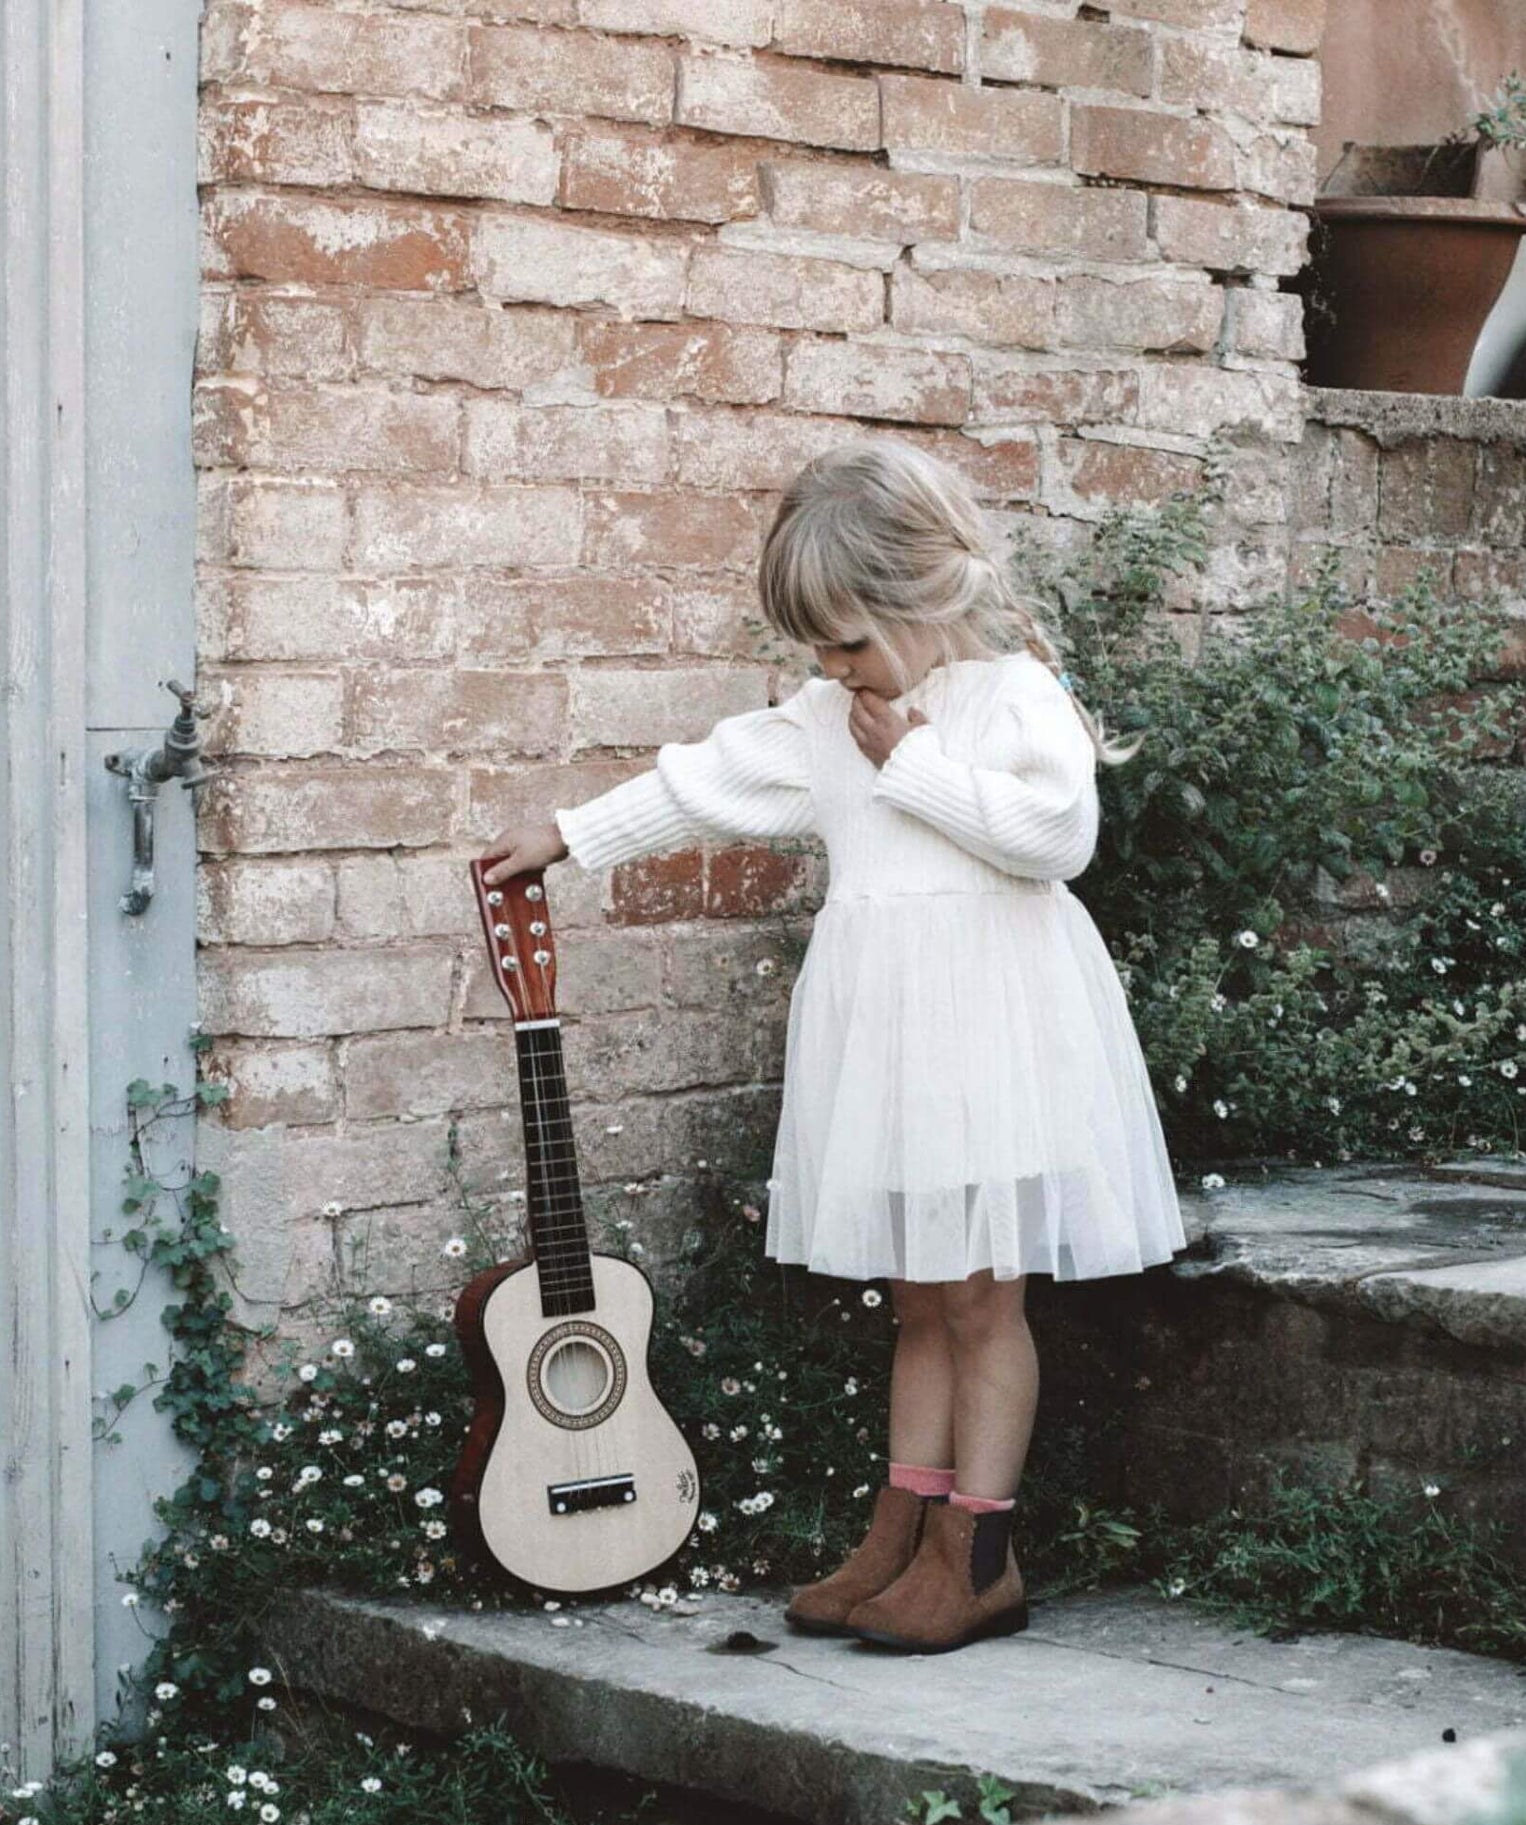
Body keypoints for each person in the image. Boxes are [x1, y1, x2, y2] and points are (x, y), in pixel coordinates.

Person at [480, 435, 1186, 1653]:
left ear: (930, 594)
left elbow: (1054, 835)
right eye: (816, 647)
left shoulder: (1011, 694)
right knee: (916, 1296)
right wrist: (565, 834)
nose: (831, 666)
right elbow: (702, 780)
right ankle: (897, 1532)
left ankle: (979, 1552)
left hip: (991, 1031)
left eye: (851, 639)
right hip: (890, 1037)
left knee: (980, 1296)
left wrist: (907, 762)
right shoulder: (825, 717)